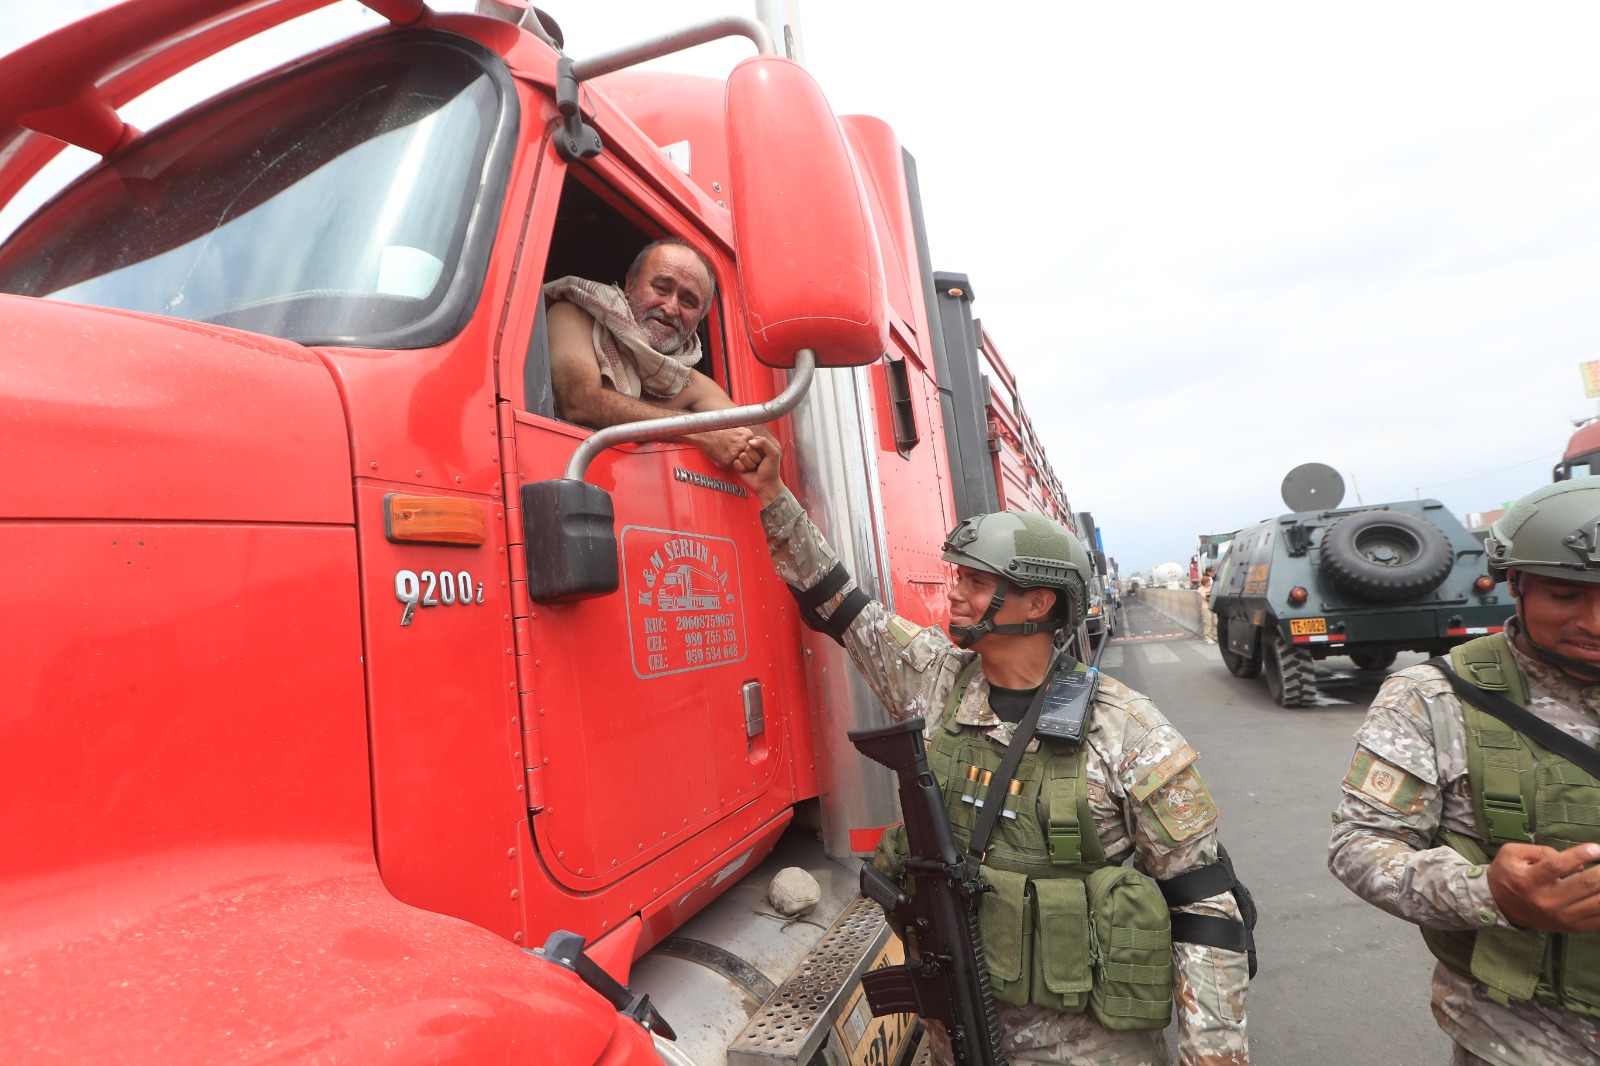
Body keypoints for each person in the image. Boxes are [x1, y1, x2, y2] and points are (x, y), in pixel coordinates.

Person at [731, 435, 1251, 1066]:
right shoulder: (938, 681)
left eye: (977, 582)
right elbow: (841, 606)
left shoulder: (1128, 732)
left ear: (1040, 603)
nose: (954, 594)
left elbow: (1206, 915)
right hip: (964, 1035)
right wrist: (771, 493)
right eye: (958, 578)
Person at [1329, 476, 1600, 1065]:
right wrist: (1490, 893)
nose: (1595, 622)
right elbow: (1361, 846)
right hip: (1527, 1036)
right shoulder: (1435, 697)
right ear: (1517, 585)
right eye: (1565, 595)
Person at [544, 238, 756, 466]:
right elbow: (580, 401)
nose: (671, 307)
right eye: (661, 288)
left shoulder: (685, 378)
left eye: (688, 300)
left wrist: (751, 451)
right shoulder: (575, 314)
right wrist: (702, 432)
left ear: (699, 319)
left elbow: (758, 436)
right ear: (630, 285)